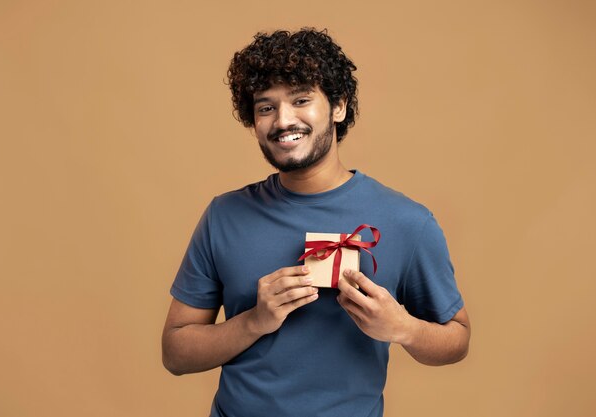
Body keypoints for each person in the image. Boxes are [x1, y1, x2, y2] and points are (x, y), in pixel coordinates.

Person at [162, 28, 471, 417]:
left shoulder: (408, 221)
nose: (282, 120)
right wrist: (254, 321)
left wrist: (403, 328)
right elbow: (175, 353)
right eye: (265, 107)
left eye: (301, 100)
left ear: (339, 105)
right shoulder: (224, 215)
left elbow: (457, 339)